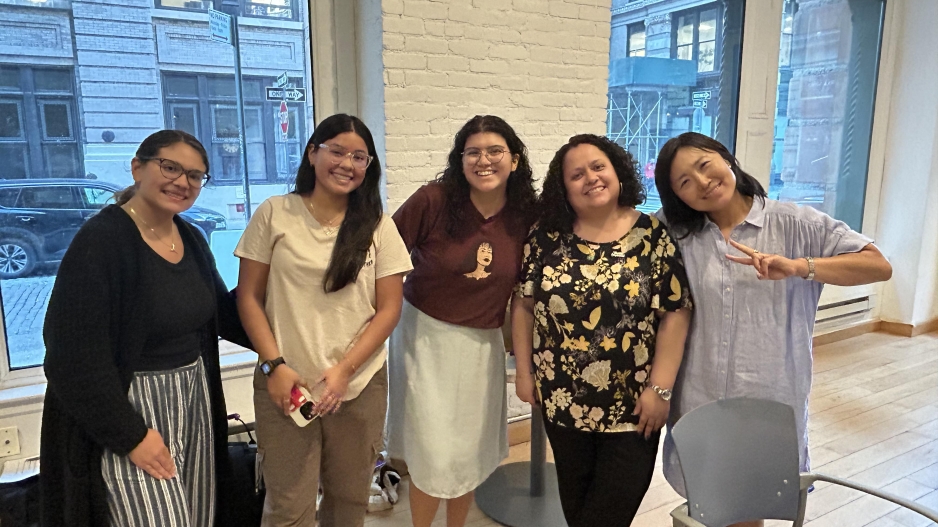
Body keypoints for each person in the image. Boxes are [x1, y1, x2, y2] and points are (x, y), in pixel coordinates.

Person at [654, 132, 893, 527]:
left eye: (704, 165)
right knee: (702, 506)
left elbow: (877, 265)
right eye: (684, 182)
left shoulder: (794, 223)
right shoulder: (673, 232)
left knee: (749, 509)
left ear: (725, 158)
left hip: (767, 398)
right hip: (698, 397)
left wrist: (801, 266)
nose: (701, 182)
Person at [40, 130, 251, 527]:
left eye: (194, 175)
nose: (182, 182)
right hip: (131, 406)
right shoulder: (101, 242)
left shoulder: (190, 236)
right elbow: (71, 357)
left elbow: (221, 313)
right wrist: (131, 435)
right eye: (169, 167)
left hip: (192, 401)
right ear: (137, 167)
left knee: (198, 515)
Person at [235, 114, 412, 527]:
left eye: (359, 156)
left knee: (349, 500)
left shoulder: (378, 226)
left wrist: (344, 371)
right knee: (288, 505)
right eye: (337, 151)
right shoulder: (275, 213)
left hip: (359, 384)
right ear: (313, 153)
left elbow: (388, 310)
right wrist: (274, 366)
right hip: (286, 384)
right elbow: (248, 298)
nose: (347, 163)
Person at [513, 134, 693, 527]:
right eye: (576, 174)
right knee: (577, 510)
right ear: (563, 188)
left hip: (633, 405)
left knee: (607, 514)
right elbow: (524, 305)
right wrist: (524, 373)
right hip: (561, 401)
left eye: (598, 167)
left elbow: (676, 313)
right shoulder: (545, 235)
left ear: (617, 172)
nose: (590, 178)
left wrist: (660, 389)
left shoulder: (652, 236)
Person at [387, 115, 537, 527]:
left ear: (515, 160)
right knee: (431, 450)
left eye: (495, 151)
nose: (484, 160)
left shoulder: (525, 214)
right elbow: (382, 256)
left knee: (467, 449)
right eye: (473, 152)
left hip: (482, 343)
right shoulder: (432, 200)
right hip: (424, 337)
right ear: (460, 159)